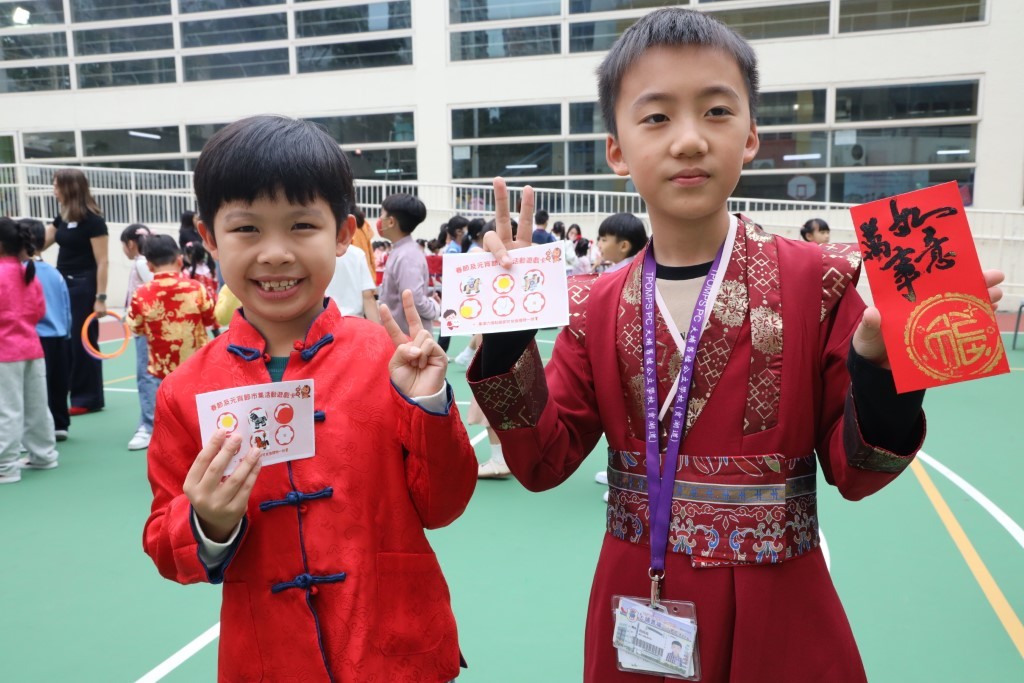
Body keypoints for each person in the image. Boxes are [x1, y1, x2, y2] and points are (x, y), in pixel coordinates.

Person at [468, 9, 1002, 682]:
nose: (690, 139)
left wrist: (880, 368)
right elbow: (544, 460)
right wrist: (508, 337)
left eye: (716, 111)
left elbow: (859, 470)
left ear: (750, 136)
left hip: (782, 613)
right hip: (639, 603)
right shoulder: (592, 304)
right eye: (656, 116)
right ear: (616, 149)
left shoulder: (820, 281)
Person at [142, 115, 476, 682]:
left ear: (344, 234)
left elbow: (442, 506)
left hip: (395, 648)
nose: (275, 253)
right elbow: (162, 541)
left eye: (301, 225)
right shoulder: (186, 390)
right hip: (269, 657)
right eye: (246, 229)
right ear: (209, 237)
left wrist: (428, 407)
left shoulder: (388, 359)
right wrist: (207, 523)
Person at [128, 235, 215, 451]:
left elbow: (136, 327)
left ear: (149, 265)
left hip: (162, 369)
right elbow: (210, 318)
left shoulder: (141, 294)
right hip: (196, 365)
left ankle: (157, 437)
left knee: (167, 414)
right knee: (199, 414)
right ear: (179, 260)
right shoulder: (195, 288)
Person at [0, 217, 59, 483]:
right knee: (37, 406)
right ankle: (44, 455)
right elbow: (39, 311)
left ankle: (5, 466)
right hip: (32, 348)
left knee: (6, 409)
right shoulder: (28, 273)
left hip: (5, 352)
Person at [45, 168, 107, 415]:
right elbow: (39, 243)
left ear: (69, 188)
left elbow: (103, 261)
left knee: (83, 339)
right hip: (61, 284)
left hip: (83, 285)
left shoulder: (94, 221)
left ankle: (88, 398)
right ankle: (70, 391)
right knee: (65, 340)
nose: (54, 190)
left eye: (56, 185)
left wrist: (100, 297)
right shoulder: (61, 218)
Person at [23, 219, 72, 442]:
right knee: (57, 384)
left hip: (36, 337)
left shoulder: (23, 273)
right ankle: (60, 424)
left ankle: (35, 432)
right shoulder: (55, 273)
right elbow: (66, 308)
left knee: (34, 387)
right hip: (59, 336)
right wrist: (66, 333)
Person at [378, 193, 440, 336]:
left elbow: (414, 299)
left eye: (381, 214)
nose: (379, 219)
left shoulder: (407, 255)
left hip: (408, 338)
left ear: (391, 222)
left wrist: (435, 309)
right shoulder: (402, 251)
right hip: (401, 336)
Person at [120, 223, 157, 450]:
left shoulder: (142, 263)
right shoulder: (143, 263)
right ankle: (149, 422)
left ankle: (149, 426)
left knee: (146, 375)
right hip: (146, 327)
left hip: (147, 329)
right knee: (149, 375)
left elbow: (152, 289)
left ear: (131, 244)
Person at [324, 243, 380, 321]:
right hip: (355, 321)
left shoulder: (315, 253)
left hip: (325, 321)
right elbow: (368, 297)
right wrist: (376, 327)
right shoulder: (357, 253)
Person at [351, 208, 377, 278]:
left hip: (355, 276)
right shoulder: (364, 224)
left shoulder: (343, 223)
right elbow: (371, 257)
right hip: (367, 275)